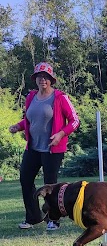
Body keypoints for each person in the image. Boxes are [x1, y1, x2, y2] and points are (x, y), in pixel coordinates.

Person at [9, 62, 80, 230]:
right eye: (40, 77)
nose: (43, 80)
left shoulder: (60, 98)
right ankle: (33, 218)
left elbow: (75, 121)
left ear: (51, 80)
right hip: (33, 147)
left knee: (51, 184)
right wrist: (18, 126)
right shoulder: (31, 97)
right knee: (25, 180)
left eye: (46, 77)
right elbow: (30, 119)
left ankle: (53, 220)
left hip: (52, 148)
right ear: (35, 79)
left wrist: (61, 134)